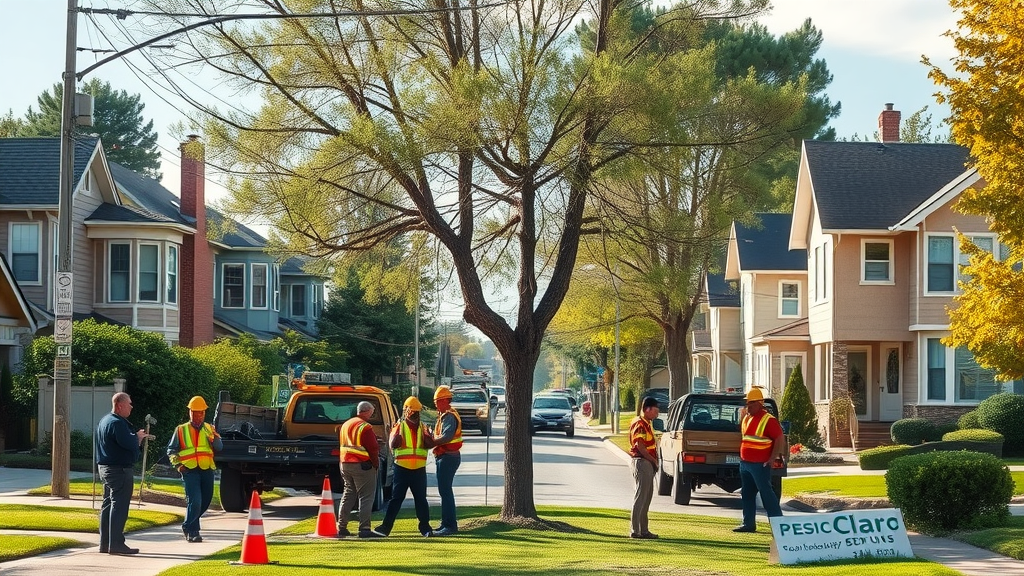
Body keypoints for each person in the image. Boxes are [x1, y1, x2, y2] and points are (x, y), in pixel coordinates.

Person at [96, 392, 151, 555]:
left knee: (108, 505)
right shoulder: (118, 423)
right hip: (119, 470)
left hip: (105, 468)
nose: (131, 407)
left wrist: (134, 438)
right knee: (119, 506)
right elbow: (128, 444)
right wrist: (138, 438)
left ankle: (105, 543)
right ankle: (116, 544)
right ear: (120, 405)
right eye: (129, 403)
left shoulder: (104, 420)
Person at [376, 396, 435, 537]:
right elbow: (392, 445)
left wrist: (429, 438)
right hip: (402, 468)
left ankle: (425, 528)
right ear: (407, 411)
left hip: (418, 469)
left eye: (417, 412)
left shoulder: (423, 427)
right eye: (413, 412)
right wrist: (396, 440)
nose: (415, 414)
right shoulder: (399, 426)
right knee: (397, 499)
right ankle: (386, 527)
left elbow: (430, 444)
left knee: (420, 499)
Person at [167, 395, 223, 543]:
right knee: (195, 501)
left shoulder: (209, 429)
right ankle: (193, 531)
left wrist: (215, 437)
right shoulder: (180, 430)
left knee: (206, 500)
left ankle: (187, 525)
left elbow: (219, 447)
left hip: (206, 469)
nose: (197, 416)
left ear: (204, 413)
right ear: (189, 412)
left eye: (200, 413)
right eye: (194, 412)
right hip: (189, 471)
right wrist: (179, 466)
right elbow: (171, 451)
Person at [734, 386, 786, 533]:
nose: (748, 406)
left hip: (760, 464)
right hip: (745, 463)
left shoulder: (768, 419)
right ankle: (748, 524)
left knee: (767, 494)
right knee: (747, 494)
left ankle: (778, 525)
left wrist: (772, 459)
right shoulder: (746, 418)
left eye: (751, 403)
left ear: (759, 403)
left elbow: (779, 438)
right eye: (747, 403)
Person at [337, 400, 384, 538]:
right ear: (367, 411)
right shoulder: (365, 426)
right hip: (362, 465)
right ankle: (364, 528)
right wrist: (376, 463)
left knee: (348, 494)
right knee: (366, 496)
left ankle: (342, 527)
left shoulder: (346, 424)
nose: (372, 414)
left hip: (345, 463)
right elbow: (373, 448)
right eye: (372, 412)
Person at [430, 385, 463, 536]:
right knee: (444, 491)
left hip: (448, 457)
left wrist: (431, 442)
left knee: (445, 492)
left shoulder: (449, 416)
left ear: (444, 400)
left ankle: (449, 526)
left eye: (437, 401)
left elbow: (447, 436)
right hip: (446, 456)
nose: (435, 404)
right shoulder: (445, 415)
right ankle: (446, 523)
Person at [628, 396, 660, 539]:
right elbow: (640, 446)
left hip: (647, 463)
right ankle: (635, 530)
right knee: (641, 497)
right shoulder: (640, 423)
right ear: (647, 409)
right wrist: (653, 460)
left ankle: (644, 530)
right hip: (642, 462)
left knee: (647, 498)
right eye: (655, 410)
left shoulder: (646, 423)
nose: (657, 414)